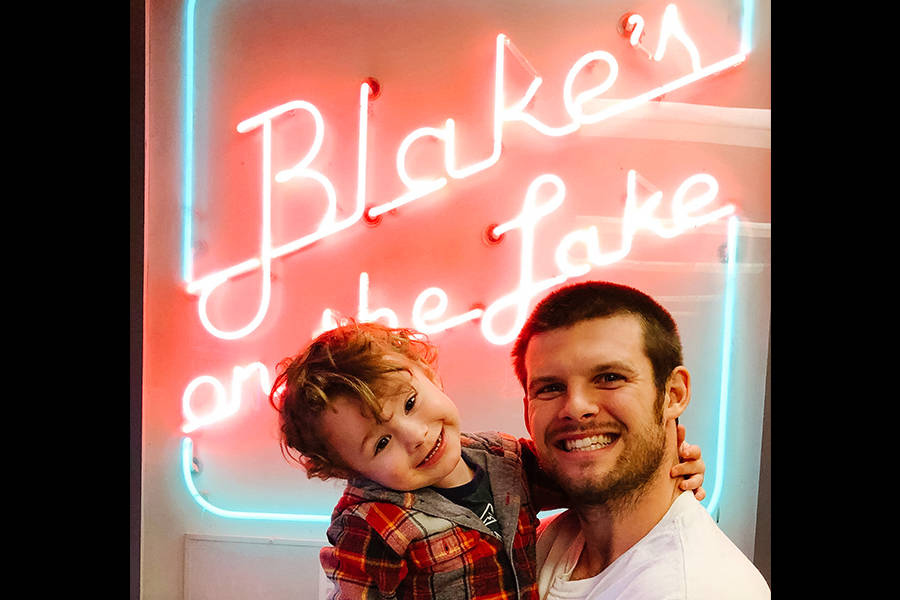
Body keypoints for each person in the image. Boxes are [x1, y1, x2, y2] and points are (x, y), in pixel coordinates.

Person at [269, 319, 707, 599]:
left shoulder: (504, 456)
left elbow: (585, 474)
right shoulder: (371, 523)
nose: (415, 436)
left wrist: (668, 468)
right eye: (380, 444)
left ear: (431, 375)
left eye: (410, 403)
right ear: (349, 470)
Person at [511, 280, 770, 599]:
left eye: (609, 378)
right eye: (550, 387)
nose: (576, 407)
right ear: (527, 412)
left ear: (673, 394)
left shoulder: (699, 588)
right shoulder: (532, 547)